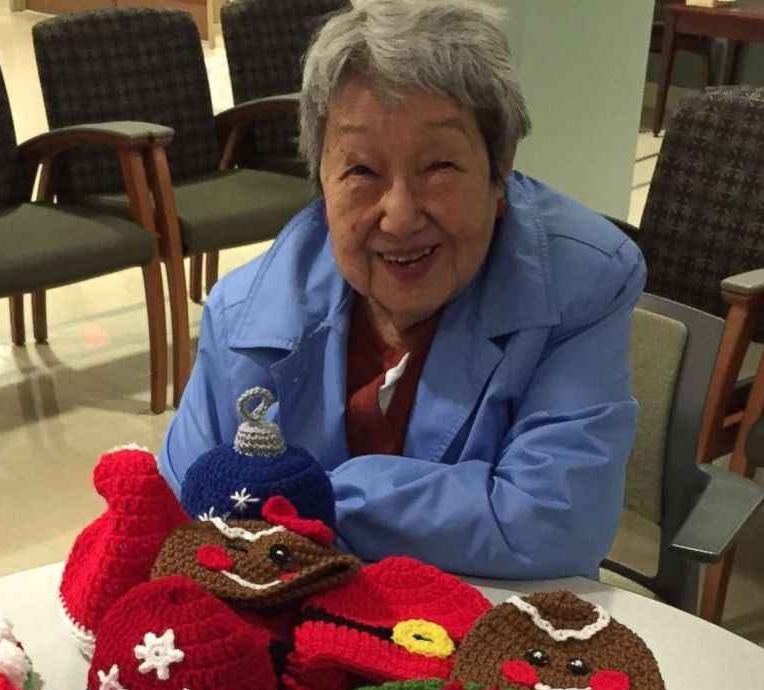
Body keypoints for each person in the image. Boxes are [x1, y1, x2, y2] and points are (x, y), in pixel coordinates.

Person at [158, 0, 643, 579]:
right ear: (321, 178)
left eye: (438, 165)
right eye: (361, 170)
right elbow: (184, 515)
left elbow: (554, 523)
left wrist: (303, 497)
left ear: (500, 166)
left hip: (499, 629)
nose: (400, 216)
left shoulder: (581, 284)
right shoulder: (244, 315)